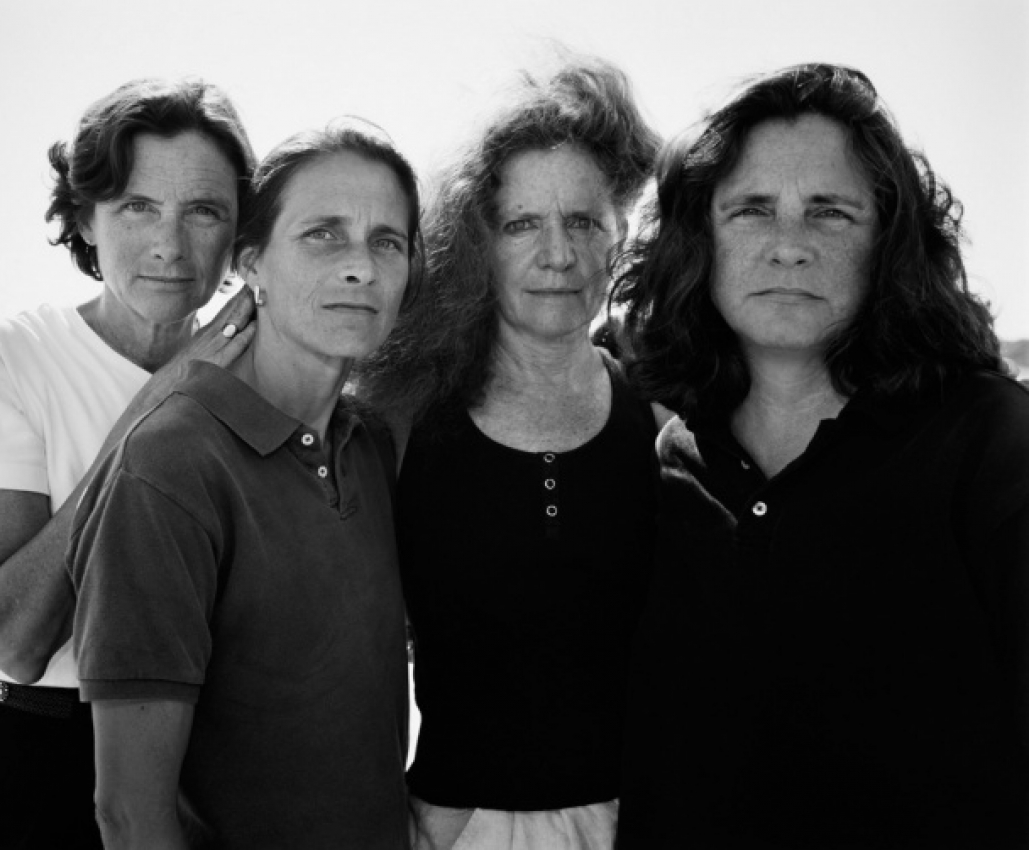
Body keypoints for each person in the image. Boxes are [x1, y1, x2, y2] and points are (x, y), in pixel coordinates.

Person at [614, 63, 1029, 848]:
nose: (789, 247)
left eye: (830, 213)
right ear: (700, 239)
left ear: (887, 243)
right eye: (751, 210)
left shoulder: (990, 441)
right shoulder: (674, 459)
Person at [69, 123, 422, 849]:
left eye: (387, 241)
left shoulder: (370, 444)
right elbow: (129, 814)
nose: (361, 267)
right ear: (252, 263)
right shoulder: (169, 466)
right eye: (323, 234)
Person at [0, 78, 256, 849]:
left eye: (203, 211)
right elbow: (15, 639)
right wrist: (161, 402)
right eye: (137, 206)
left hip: (219, 766)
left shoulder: (261, 377)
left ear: (241, 232)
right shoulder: (0, 357)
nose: (169, 245)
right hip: (37, 773)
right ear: (84, 216)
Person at [358, 58, 663, 849]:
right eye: (522, 224)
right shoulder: (398, 424)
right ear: (476, 243)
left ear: (620, 235)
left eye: (584, 222)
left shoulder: (664, 421)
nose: (558, 255)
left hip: (641, 821)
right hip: (460, 826)